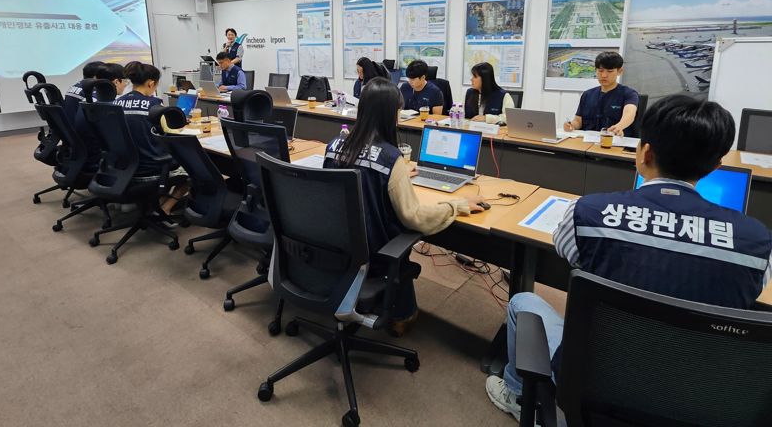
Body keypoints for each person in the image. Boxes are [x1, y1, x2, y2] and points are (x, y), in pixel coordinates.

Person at [486, 95, 772, 422]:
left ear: (644, 152)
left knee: (523, 301)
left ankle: (517, 394)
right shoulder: (757, 242)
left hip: (594, 376)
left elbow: (568, 252)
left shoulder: (587, 213)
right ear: (716, 165)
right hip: (699, 390)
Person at [323, 77, 484, 332]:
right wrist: (457, 205)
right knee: (401, 231)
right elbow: (414, 217)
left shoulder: (334, 145)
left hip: (333, 248)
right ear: (390, 114)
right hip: (373, 255)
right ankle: (401, 313)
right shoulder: (390, 157)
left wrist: (393, 177)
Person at [115, 62, 188, 213]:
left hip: (124, 168)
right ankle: (165, 209)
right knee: (193, 170)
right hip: (151, 169)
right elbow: (171, 136)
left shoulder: (117, 103)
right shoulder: (154, 105)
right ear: (151, 83)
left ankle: (155, 203)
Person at [563, 51, 639, 137]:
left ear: (619, 71)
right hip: (587, 142)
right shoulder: (587, 94)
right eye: (600, 71)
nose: (604, 75)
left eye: (610, 71)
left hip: (614, 142)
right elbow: (578, 121)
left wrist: (618, 127)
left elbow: (630, 114)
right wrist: (571, 125)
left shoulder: (629, 94)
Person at [75, 63, 126, 172]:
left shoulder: (88, 100)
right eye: (125, 81)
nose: (126, 85)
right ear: (117, 82)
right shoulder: (108, 106)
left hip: (87, 152)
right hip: (100, 157)